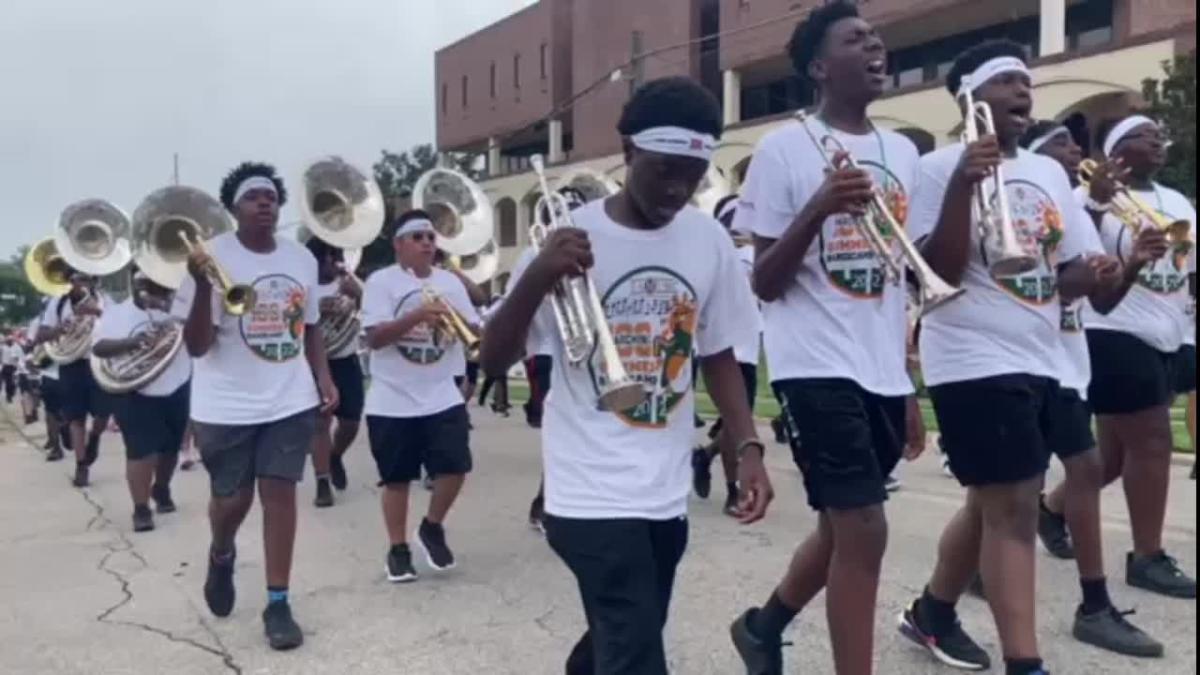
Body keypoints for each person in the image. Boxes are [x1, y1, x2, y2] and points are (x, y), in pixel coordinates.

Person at [481, 76, 773, 675]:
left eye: (692, 175)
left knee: (631, 629)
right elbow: (491, 359)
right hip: (587, 492)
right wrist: (538, 274)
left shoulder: (707, 238)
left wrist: (747, 445)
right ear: (628, 153)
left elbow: (716, 351)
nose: (676, 188)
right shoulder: (570, 237)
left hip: (662, 493)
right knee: (637, 652)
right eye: (662, 170)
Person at [895, 41, 1128, 675]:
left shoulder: (1050, 175)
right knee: (1016, 501)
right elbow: (933, 273)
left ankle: (933, 613)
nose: (1024, 94)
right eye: (1007, 83)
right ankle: (1026, 663)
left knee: (991, 500)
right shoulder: (936, 166)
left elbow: (1068, 275)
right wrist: (964, 184)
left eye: (1028, 84)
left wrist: (1106, 268)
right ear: (971, 97)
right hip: (970, 353)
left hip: (1044, 356)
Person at [726, 6, 923, 673]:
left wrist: (906, 386)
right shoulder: (783, 148)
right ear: (818, 66)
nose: (875, 46)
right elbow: (765, 281)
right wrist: (818, 205)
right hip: (813, 364)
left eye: (875, 37)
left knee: (840, 526)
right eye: (855, 40)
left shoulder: (904, 152)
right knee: (866, 526)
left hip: (882, 369)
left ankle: (763, 625)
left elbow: (900, 275)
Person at [173, 162, 338, 651]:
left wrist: (323, 376)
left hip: (289, 397)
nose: (265, 202)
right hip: (224, 405)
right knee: (232, 502)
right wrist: (204, 286)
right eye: (253, 197)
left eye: (271, 196)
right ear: (234, 208)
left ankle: (278, 601)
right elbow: (198, 346)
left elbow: (309, 327)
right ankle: (221, 553)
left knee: (280, 494)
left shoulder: (300, 259)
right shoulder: (210, 258)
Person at [1019, 120, 1165, 656]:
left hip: (1065, 357)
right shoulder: (1047, 202)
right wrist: (1095, 204)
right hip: (1018, 356)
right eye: (1060, 142)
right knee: (1012, 491)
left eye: (1073, 141)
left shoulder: (1078, 209)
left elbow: (1101, 300)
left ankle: (1093, 604)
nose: (1075, 150)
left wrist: (1128, 266)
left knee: (1061, 473)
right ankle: (939, 602)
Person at [1081, 114, 1197, 599]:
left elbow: (1189, 269)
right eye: (1144, 136)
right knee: (1152, 442)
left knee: (1110, 458)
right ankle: (1147, 555)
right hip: (1113, 329)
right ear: (1117, 149)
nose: (1158, 142)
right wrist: (1095, 202)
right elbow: (1081, 251)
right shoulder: (1095, 197)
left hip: (1168, 333)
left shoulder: (1177, 201)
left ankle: (1050, 511)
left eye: (1160, 136)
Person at [361, 210, 480, 583]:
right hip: (392, 397)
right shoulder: (381, 282)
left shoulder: (450, 282)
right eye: (417, 237)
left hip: (441, 392)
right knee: (397, 479)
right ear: (398, 245)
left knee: (456, 467)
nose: (427, 243)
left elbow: (470, 327)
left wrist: (470, 331)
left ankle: (432, 527)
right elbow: (374, 338)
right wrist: (418, 315)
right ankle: (398, 549)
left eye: (430, 237)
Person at [92, 273, 192, 533]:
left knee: (171, 446)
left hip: (177, 383)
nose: (154, 290)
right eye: (148, 285)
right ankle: (141, 508)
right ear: (137, 286)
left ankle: (161, 488)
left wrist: (172, 310)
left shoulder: (178, 307)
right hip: (135, 390)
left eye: (160, 284)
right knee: (140, 450)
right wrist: (134, 342)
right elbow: (99, 347)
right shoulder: (117, 313)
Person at [691, 194, 763, 518]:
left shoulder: (718, 253)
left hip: (739, 345)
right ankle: (733, 491)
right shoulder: (743, 254)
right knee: (737, 424)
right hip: (735, 348)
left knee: (734, 422)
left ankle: (706, 456)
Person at [306, 237, 366, 507]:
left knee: (351, 422)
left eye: (334, 256)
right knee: (320, 423)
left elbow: (375, 311)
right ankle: (322, 482)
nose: (331, 262)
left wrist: (360, 294)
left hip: (346, 358)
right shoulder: (304, 287)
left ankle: (335, 455)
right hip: (315, 362)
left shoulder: (349, 284)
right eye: (325, 257)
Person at [38, 272, 107, 486]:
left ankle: (94, 438)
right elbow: (41, 335)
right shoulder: (57, 303)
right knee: (76, 418)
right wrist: (60, 328)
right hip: (71, 364)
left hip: (98, 362)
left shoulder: (105, 300)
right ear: (71, 281)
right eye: (79, 279)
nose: (84, 284)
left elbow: (117, 325)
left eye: (88, 279)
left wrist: (97, 311)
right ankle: (81, 465)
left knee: (103, 414)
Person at [1, 335, 22, 403]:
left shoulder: (16, 348)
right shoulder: (2, 347)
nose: (9, 341)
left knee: (10, 383)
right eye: (8, 340)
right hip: (4, 366)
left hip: (12, 367)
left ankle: (9, 396)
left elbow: (19, 358)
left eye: (11, 340)